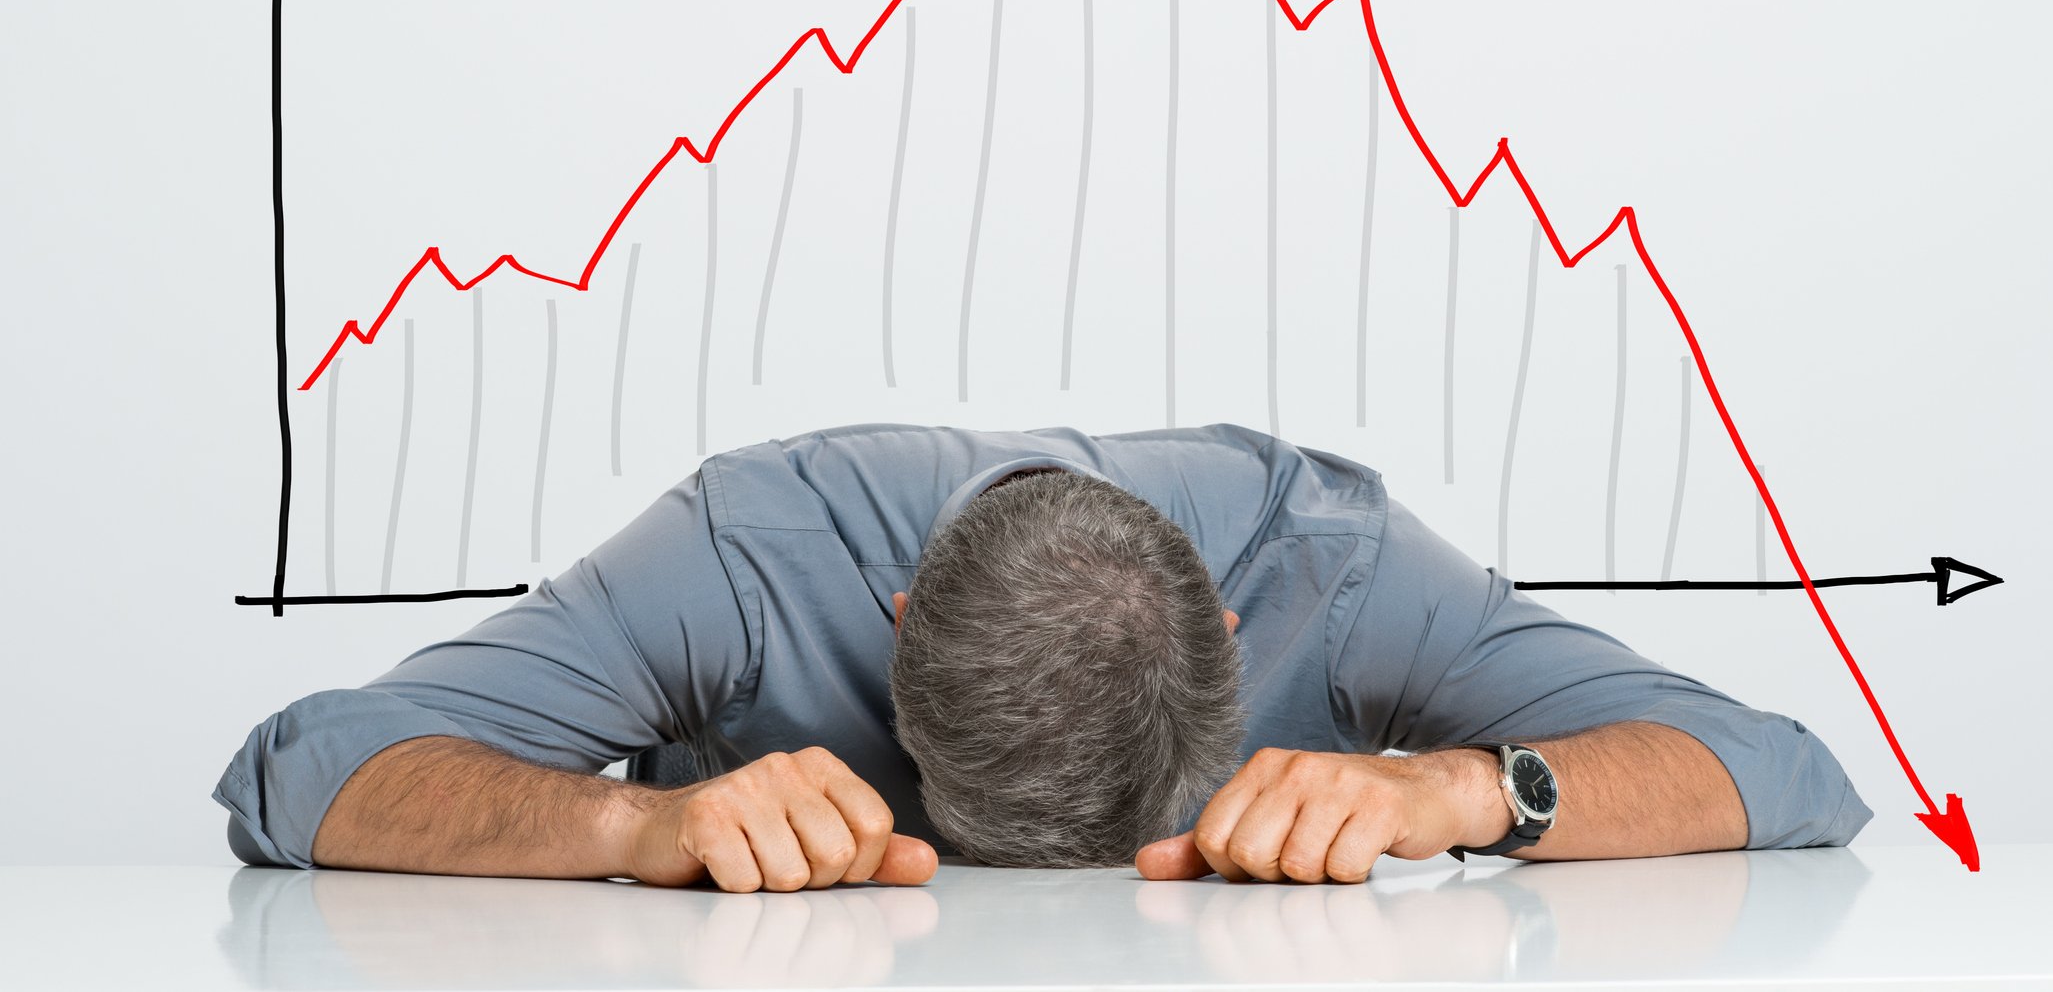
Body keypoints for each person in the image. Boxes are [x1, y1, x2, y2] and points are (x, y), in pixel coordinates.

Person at [214, 421, 1871, 891]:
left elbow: (1795, 775)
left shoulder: (1335, 564)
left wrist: (1466, 791)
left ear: (1234, 635)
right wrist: (630, 827)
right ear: (895, 637)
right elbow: (299, 769)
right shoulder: (741, 555)